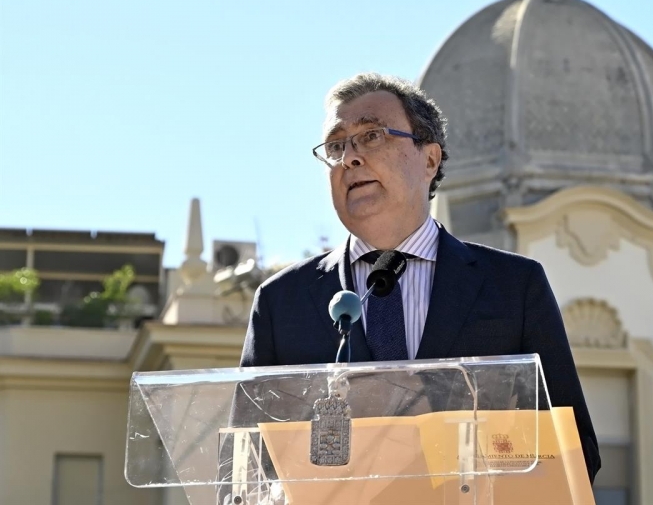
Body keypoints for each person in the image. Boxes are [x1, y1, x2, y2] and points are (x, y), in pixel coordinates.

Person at [240, 72, 600, 482]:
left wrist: (442, 446)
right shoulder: (281, 302)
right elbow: (244, 467)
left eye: (372, 135)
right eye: (336, 145)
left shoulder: (515, 287)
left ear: (429, 159)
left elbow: (576, 454)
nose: (350, 157)